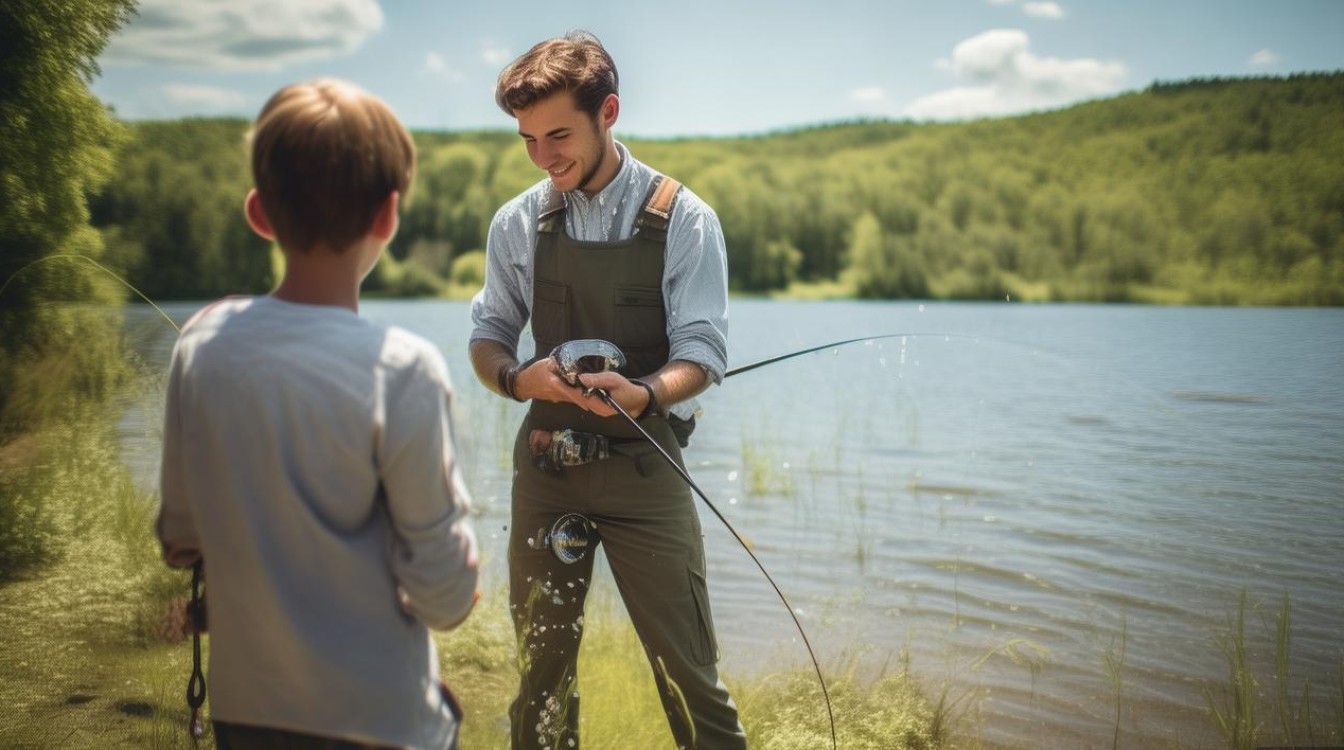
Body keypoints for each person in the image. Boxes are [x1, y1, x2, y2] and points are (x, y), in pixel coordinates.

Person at [156, 79, 480, 750]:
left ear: (259, 213)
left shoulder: (200, 345)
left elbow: (181, 537)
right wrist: (457, 587)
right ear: (388, 217)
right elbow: (443, 597)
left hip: (248, 716)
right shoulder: (405, 367)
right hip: (383, 724)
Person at [468, 30, 746, 750]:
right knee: (543, 682)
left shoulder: (685, 219)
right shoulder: (516, 223)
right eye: (528, 139)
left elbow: (703, 355)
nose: (543, 156)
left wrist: (645, 393)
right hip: (546, 472)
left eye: (557, 134)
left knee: (691, 679)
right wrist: (512, 376)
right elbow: (489, 334)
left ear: (609, 111)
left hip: (645, 475)